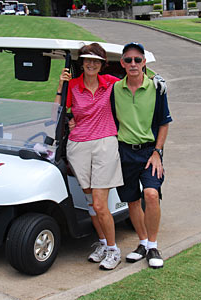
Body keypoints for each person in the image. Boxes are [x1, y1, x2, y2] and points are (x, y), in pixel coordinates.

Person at [55, 43, 123, 270]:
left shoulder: (111, 83)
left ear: (102, 64)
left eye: (96, 60)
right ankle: (103, 243)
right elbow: (55, 111)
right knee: (90, 204)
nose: (91, 64)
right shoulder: (72, 86)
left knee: (100, 203)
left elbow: (134, 85)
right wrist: (60, 86)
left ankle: (114, 250)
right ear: (81, 63)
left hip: (105, 143)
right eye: (87, 60)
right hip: (78, 146)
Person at [110, 42, 172, 269]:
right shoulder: (115, 89)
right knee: (132, 200)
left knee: (151, 194)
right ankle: (143, 243)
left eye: (138, 60)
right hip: (124, 150)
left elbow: (164, 124)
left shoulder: (157, 88)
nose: (133, 64)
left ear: (144, 63)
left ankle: (153, 245)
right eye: (128, 60)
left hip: (149, 152)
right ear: (122, 64)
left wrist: (157, 152)